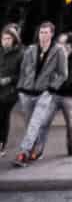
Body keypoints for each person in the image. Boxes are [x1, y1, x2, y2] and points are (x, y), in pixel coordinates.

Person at [12, 24, 66, 166]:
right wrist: (20, 88)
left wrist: (50, 88)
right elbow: (23, 70)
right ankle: (38, 149)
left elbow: (63, 74)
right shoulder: (31, 49)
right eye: (41, 32)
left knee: (35, 123)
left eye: (46, 32)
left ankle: (23, 153)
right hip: (26, 92)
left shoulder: (59, 51)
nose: (43, 35)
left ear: (52, 34)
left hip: (44, 94)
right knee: (31, 125)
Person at [23, 33, 72, 160]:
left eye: (61, 43)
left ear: (70, 45)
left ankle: (71, 148)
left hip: (70, 96)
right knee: (43, 123)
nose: (57, 45)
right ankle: (38, 151)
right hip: (53, 95)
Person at [0, 25, 21, 154]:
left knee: (3, 116)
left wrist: (8, 79)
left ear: (14, 39)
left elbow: (22, 75)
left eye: (8, 38)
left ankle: (2, 144)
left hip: (10, 92)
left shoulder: (20, 54)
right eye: (3, 39)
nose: (5, 41)